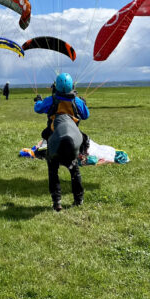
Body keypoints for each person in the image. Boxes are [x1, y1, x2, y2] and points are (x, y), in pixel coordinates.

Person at [34, 72, 89, 211]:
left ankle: (57, 202)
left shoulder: (51, 100)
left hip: (55, 140)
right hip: (72, 141)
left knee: (53, 170)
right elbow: (86, 115)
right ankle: (79, 199)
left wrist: (38, 100)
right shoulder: (77, 101)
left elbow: (38, 108)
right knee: (74, 170)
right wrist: (83, 103)